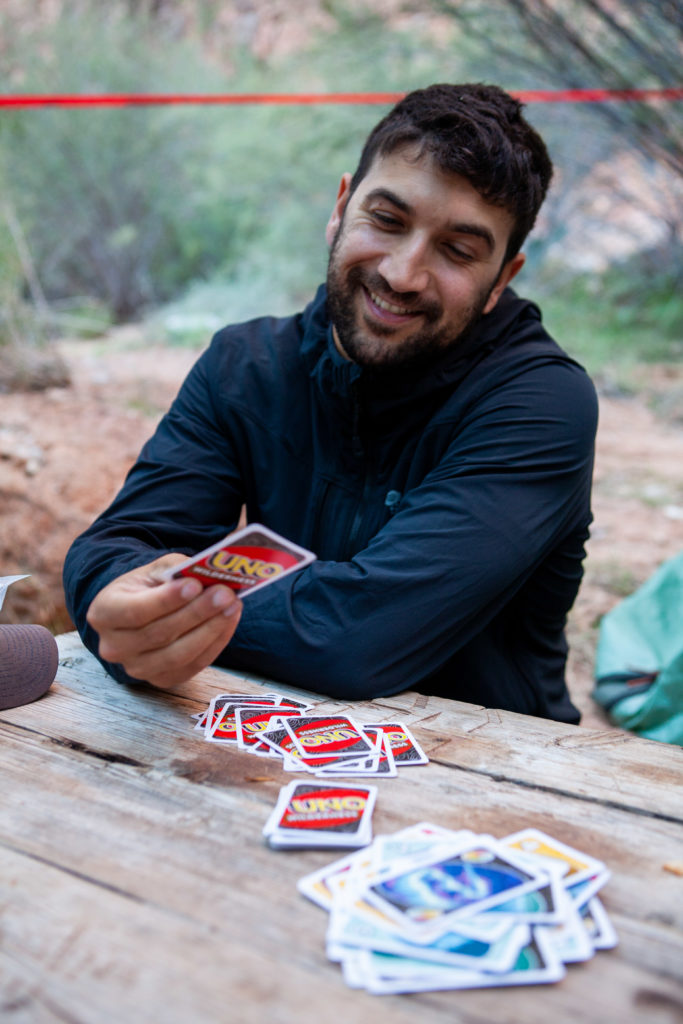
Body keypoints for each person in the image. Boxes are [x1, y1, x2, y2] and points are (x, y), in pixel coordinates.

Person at [63, 82, 598, 724]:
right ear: (342, 208)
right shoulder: (243, 366)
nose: (402, 274)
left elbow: (356, 635)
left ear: (500, 282)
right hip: (264, 755)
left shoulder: (542, 403)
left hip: (505, 779)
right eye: (388, 220)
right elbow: (124, 543)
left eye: (458, 250)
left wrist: (178, 604)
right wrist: (113, 605)